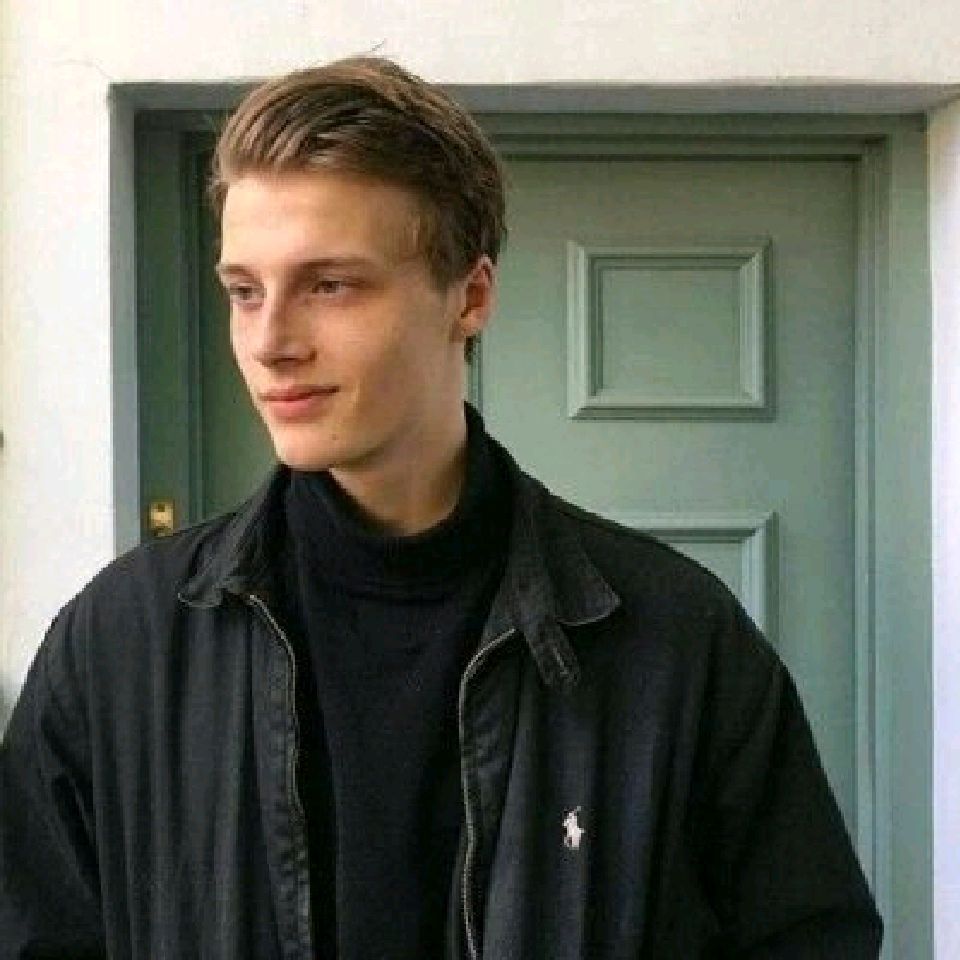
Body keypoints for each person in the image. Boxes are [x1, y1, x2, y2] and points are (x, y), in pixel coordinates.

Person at [0, 57, 882, 959]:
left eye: (330, 284)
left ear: (471, 295)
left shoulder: (673, 638)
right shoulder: (120, 642)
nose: (270, 343)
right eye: (245, 291)